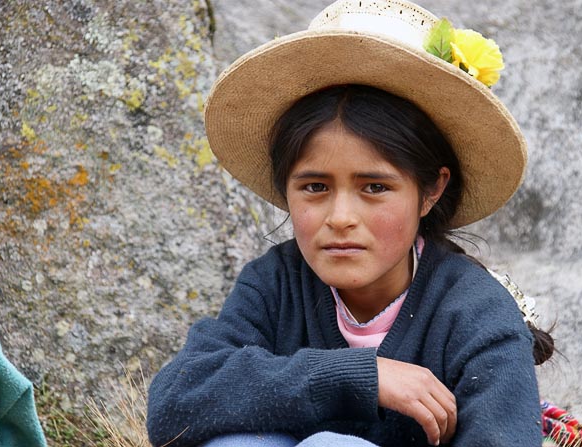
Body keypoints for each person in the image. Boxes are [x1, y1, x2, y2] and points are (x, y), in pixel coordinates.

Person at [147, 1, 554, 446]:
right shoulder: (275, 284)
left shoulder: (474, 311)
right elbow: (175, 402)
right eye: (315, 187)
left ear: (431, 191)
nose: (340, 218)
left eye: (375, 188)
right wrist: (361, 377)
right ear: (286, 188)